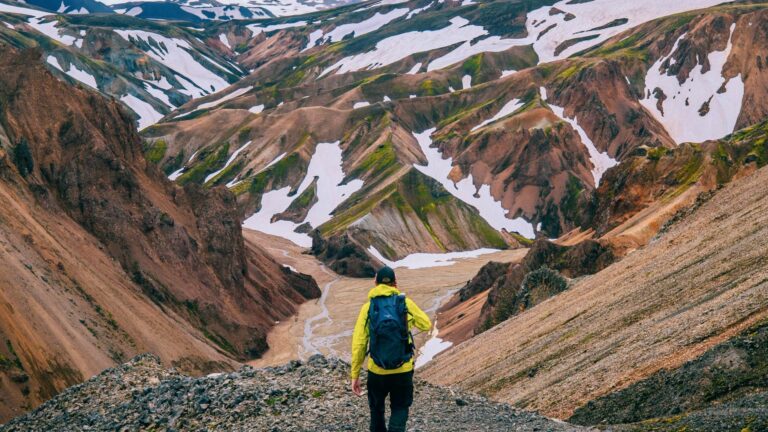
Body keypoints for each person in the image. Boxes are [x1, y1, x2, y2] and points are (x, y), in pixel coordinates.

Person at [350, 266, 432, 432]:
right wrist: (407, 322)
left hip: (376, 371)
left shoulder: (368, 307)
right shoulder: (404, 303)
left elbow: (359, 343)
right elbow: (426, 324)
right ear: (395, 283)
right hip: (402, 369)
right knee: (400, 408)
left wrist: (355, 375)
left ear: (375, 282)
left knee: (376, 410)